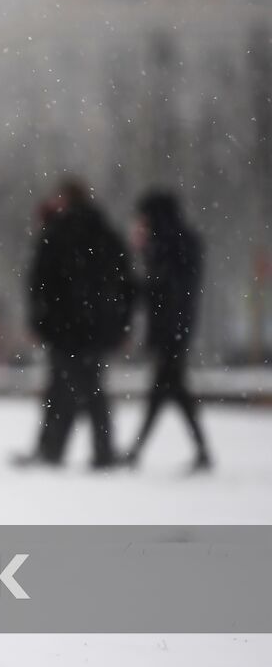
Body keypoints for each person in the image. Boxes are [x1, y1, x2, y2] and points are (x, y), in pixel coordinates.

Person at [14, 178, 135, 469]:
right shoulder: (107, 234)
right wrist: (121, 324)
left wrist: (38, 322)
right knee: (91, 389)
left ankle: (52, 449)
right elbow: (127, 285)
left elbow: (39, 282)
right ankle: (100, 450)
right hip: (98, 327)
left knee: (62, 388)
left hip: (64, 327)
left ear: (64, 199)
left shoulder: (56, 233)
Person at [123, 190, 212, 472]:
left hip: (170, 331)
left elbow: (160, 291)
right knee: (171, 392)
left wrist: (143, 255)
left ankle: (138, 450)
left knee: (165, 391)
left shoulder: (169, 246)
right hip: (175, 330)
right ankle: (198, 451)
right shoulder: (179, 244)